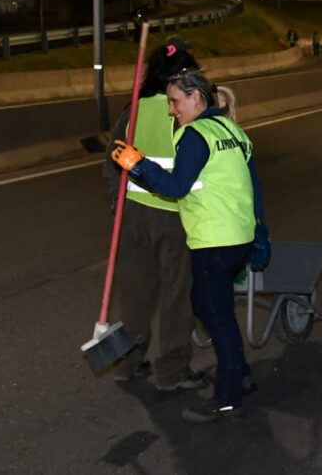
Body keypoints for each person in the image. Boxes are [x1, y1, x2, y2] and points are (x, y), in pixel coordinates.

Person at [111, 70, 271, 424]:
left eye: (175, 101)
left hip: (213, 239)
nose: (171, 110)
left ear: (196, 98)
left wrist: (138, 166)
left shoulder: (195, 134)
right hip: (238, 237)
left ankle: (228, 395)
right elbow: (254, 184)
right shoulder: (233, 130)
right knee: (210, 307)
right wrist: (261, 231)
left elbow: (176, 186)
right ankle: (239, 373)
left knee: (217, 316)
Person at [104, 39, 203, 391]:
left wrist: (117, 201)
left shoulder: (133, 110)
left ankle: (127, 364)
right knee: (177, 296)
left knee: (136, 293)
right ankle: (172, 372)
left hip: (134, 214)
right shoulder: (184, 110)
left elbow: (114, 159)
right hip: (175, 215)